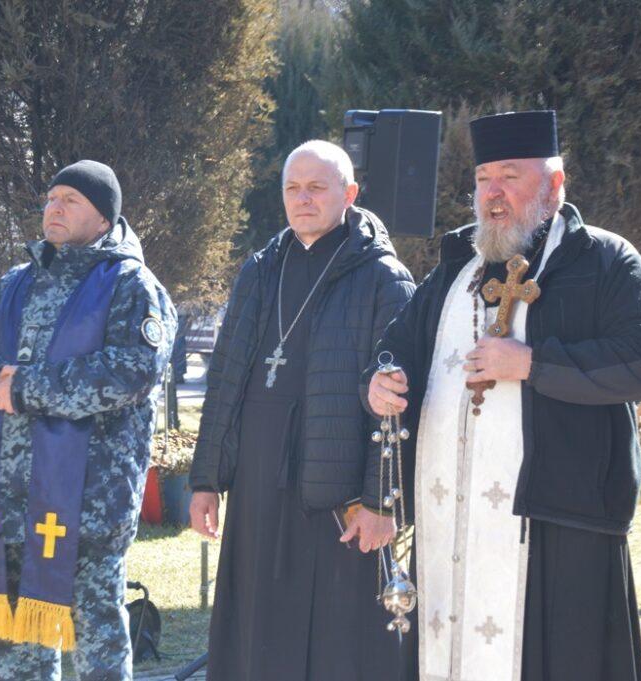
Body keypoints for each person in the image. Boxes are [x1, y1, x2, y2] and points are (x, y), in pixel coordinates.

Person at [365, 111, 641, 681]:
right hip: (450, 517)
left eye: (511, 176)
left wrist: (534, 363)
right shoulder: (457, 270)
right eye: (483, 179)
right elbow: (398, 344)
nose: (493, 193)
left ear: (555, 186)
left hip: (557, 521)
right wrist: (383, 379)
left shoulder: (606, 260)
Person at [189, 140, 416, 681]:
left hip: (339, 497)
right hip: (257, 486)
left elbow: (399, 409)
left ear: (350, 193)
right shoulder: (261, 270)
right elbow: (224, 381)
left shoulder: (384, 277)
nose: (303, 199)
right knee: (255, 628)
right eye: (293, 188)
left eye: (317, 187)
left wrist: (381, 501)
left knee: (335, 643)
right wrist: (205, 481)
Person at [0, 160, 176, 681]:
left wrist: (25, 387)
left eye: (70, 200)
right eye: (51, 198)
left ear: (103, 219)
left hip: (88, 497)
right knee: (16, 638)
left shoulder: (131, 285)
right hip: (9, 491)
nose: (54, 207)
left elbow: (132, 371)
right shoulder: (17, 282)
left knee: (96, 633)